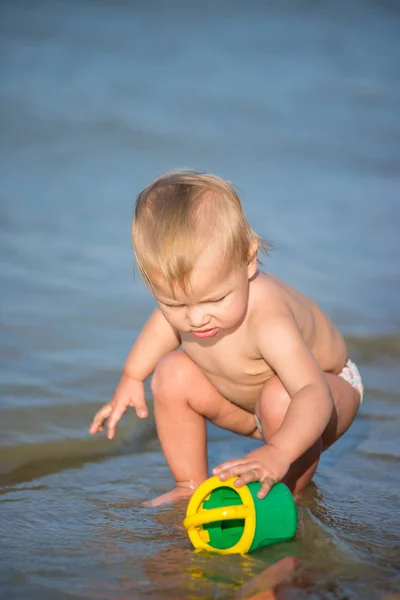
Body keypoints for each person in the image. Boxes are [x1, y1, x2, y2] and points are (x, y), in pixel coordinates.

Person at [89, 170, 364, 507]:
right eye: (174, 303)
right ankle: (188, 485)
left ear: (249, 261)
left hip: (324, 396)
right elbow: (160, 326)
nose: (195, 318)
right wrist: (132, 378)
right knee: (171, 371)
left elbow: (312, 393)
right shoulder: (187, 309)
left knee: (280, 396)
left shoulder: (268, 319)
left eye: (214, 300)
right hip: (250, 409)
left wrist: (278, 452)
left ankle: (286, 495)